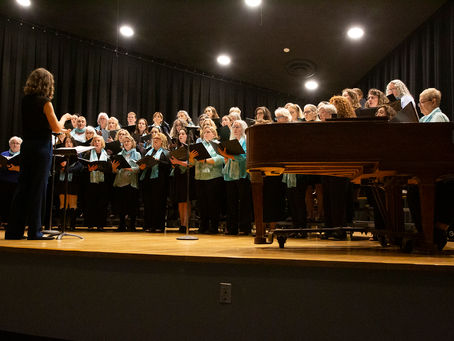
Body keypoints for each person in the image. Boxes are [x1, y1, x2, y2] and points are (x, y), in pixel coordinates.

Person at [6, 68, 72, 240]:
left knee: (23, 188)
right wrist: (64, 118)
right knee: (38, 189)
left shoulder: (25, 100)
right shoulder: (45, 102)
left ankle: (14, 231)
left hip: (26, 146)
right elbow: (56, 128)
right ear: (47, 84)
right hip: (41, 148)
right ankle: (35, 231)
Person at [218, 120, 252, 235]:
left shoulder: (245, 141)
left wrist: (227, 155)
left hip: (242, 174)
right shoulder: (231, 141)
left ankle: (244, 227)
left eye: (238, 127)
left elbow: (243, 157)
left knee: (244, 202)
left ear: (243, 129)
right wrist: (225, 157)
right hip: (230, 175)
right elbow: (228, 158)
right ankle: (232, 227)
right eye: (234, 127)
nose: (236, 129)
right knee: (231, 203)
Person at [189, 126, 224, 234]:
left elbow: (221, 159)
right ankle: (203, 226)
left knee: (213, 203)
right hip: (200, 177)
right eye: (204, 132)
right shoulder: (199, 146)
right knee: (201, 203)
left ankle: (213, 227)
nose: (206, 134)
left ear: (214, 134)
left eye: (208, 132)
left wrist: (205, 160)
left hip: (213, 177)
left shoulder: (217, 144)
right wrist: (191, 157)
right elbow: (192, 163)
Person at [139, 132, 171, 232]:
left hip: (160, 181)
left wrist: (158, 161)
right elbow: (143, 164)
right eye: (154, 138)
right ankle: (148, 225)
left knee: (159, 204)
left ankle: (158, 226)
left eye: (158, 138)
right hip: (148, 180)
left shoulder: (166, 153)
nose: (155, 140)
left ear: (162, 141)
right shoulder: (148, 152)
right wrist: (142, 167)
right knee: (148, 204)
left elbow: (168, 166)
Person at [112, 135, 141, 231]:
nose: (126, 143)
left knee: (132, 205)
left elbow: (139, 168)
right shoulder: (119, 154)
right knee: (121, 205)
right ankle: (122, 225)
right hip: (121, 182)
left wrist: (130, 169)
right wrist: (114, 168)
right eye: (124, 142)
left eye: (128, 141)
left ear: (132, 143)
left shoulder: (137, 154)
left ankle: (132, 225)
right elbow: (115, 171)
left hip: (131, 182)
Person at [83, 135, 112, 231]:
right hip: (90, 183)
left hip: (103, 183)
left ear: (102, 143)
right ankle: (90, 224)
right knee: (90, 204)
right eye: (95, 141)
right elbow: (83, 168)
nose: (96, 142)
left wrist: (100, 168)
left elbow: (110, 169)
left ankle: (100, 225)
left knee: (102, 204)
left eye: (98, 140)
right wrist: (89, 169)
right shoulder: (87, 154)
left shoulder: (107, 154)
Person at [169, 128, 196, 233]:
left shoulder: (190, 148)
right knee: (180, 201)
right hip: (178, 175)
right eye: (179, 134)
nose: (180, 136)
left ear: (187, 136)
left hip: (187, 175)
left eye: (183, 134)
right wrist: (173, 163)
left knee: (186, 200)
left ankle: (186, 224)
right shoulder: (177, 148)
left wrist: (178, 162)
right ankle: (182, 224)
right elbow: (174, 163)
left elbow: (192, 164)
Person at [55, 136, 83, 231]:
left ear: (73, 144)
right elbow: (56, 166)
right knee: (62, 204)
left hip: (73, 182)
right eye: (67, 142)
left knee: (72, 204)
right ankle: (62, 224)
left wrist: (66, 168)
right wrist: (61, 167)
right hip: (62, 181)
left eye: (70, 142)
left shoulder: (77, 154)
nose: (68, 144)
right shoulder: (60, 154)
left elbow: (79, 167)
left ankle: (72, 224)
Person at [0, 136, 22, 225]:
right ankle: (4, 221)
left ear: (21, 145)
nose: (15, 145)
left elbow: (27, 169)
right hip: (4, 181)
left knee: (16, 203)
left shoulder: (23, 155)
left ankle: (14, 223)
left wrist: (15, 168)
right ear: (9, 144)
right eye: (13, 143)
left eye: (17, 143)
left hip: (18, 182)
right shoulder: (3, 154)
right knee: (4, 202)